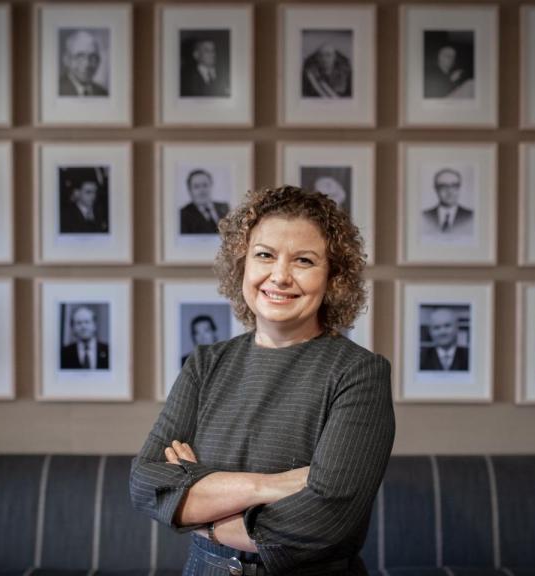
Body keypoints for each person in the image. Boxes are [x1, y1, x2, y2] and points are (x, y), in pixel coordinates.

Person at [131, 186, 396, 575]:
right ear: (243, 264)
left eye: (303, 260)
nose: (280, 275)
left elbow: (327, 523)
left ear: (333, 277)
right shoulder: (205, 364)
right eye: (264, 255)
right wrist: (272, 486)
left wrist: (198, 502)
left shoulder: (359, 374)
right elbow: (146, 484)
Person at [420, 168, 474, 236]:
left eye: (454, 186)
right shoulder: (425, 216)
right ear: (436, 189)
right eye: (443, 186)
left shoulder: (471, 217)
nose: (449, 191)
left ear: (459, 188)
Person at [179, 169, 230, 235]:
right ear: (190, 190)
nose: (202, 190)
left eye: (205, 185)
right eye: (196, 187)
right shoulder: (183, 214)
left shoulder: (224, 207)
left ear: (211, 185)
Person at [59, 30, 108, 97]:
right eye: (80, 56)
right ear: (67, 60)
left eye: (92, 57)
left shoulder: (103, 93)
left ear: (98, 61)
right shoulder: (57, 90)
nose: (87, 64)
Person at [59, 168, 109, 234]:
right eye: (88, 192)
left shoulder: (101, 212)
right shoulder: (66, 217)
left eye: (95, 192)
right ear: (77, 193)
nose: (93, 196)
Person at [418, 307, 469, 371]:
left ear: (457, 328)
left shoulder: (470, 356)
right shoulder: (420, 359)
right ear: (430, 331)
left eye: (447, 326)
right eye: (436, 327)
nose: (442, 332)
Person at [60, 306, 110, 370]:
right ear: (73, 328)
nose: (83, 327)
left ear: (94, 325)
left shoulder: (108, 351)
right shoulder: (64, 353)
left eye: (87, 322)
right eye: (79, 323)